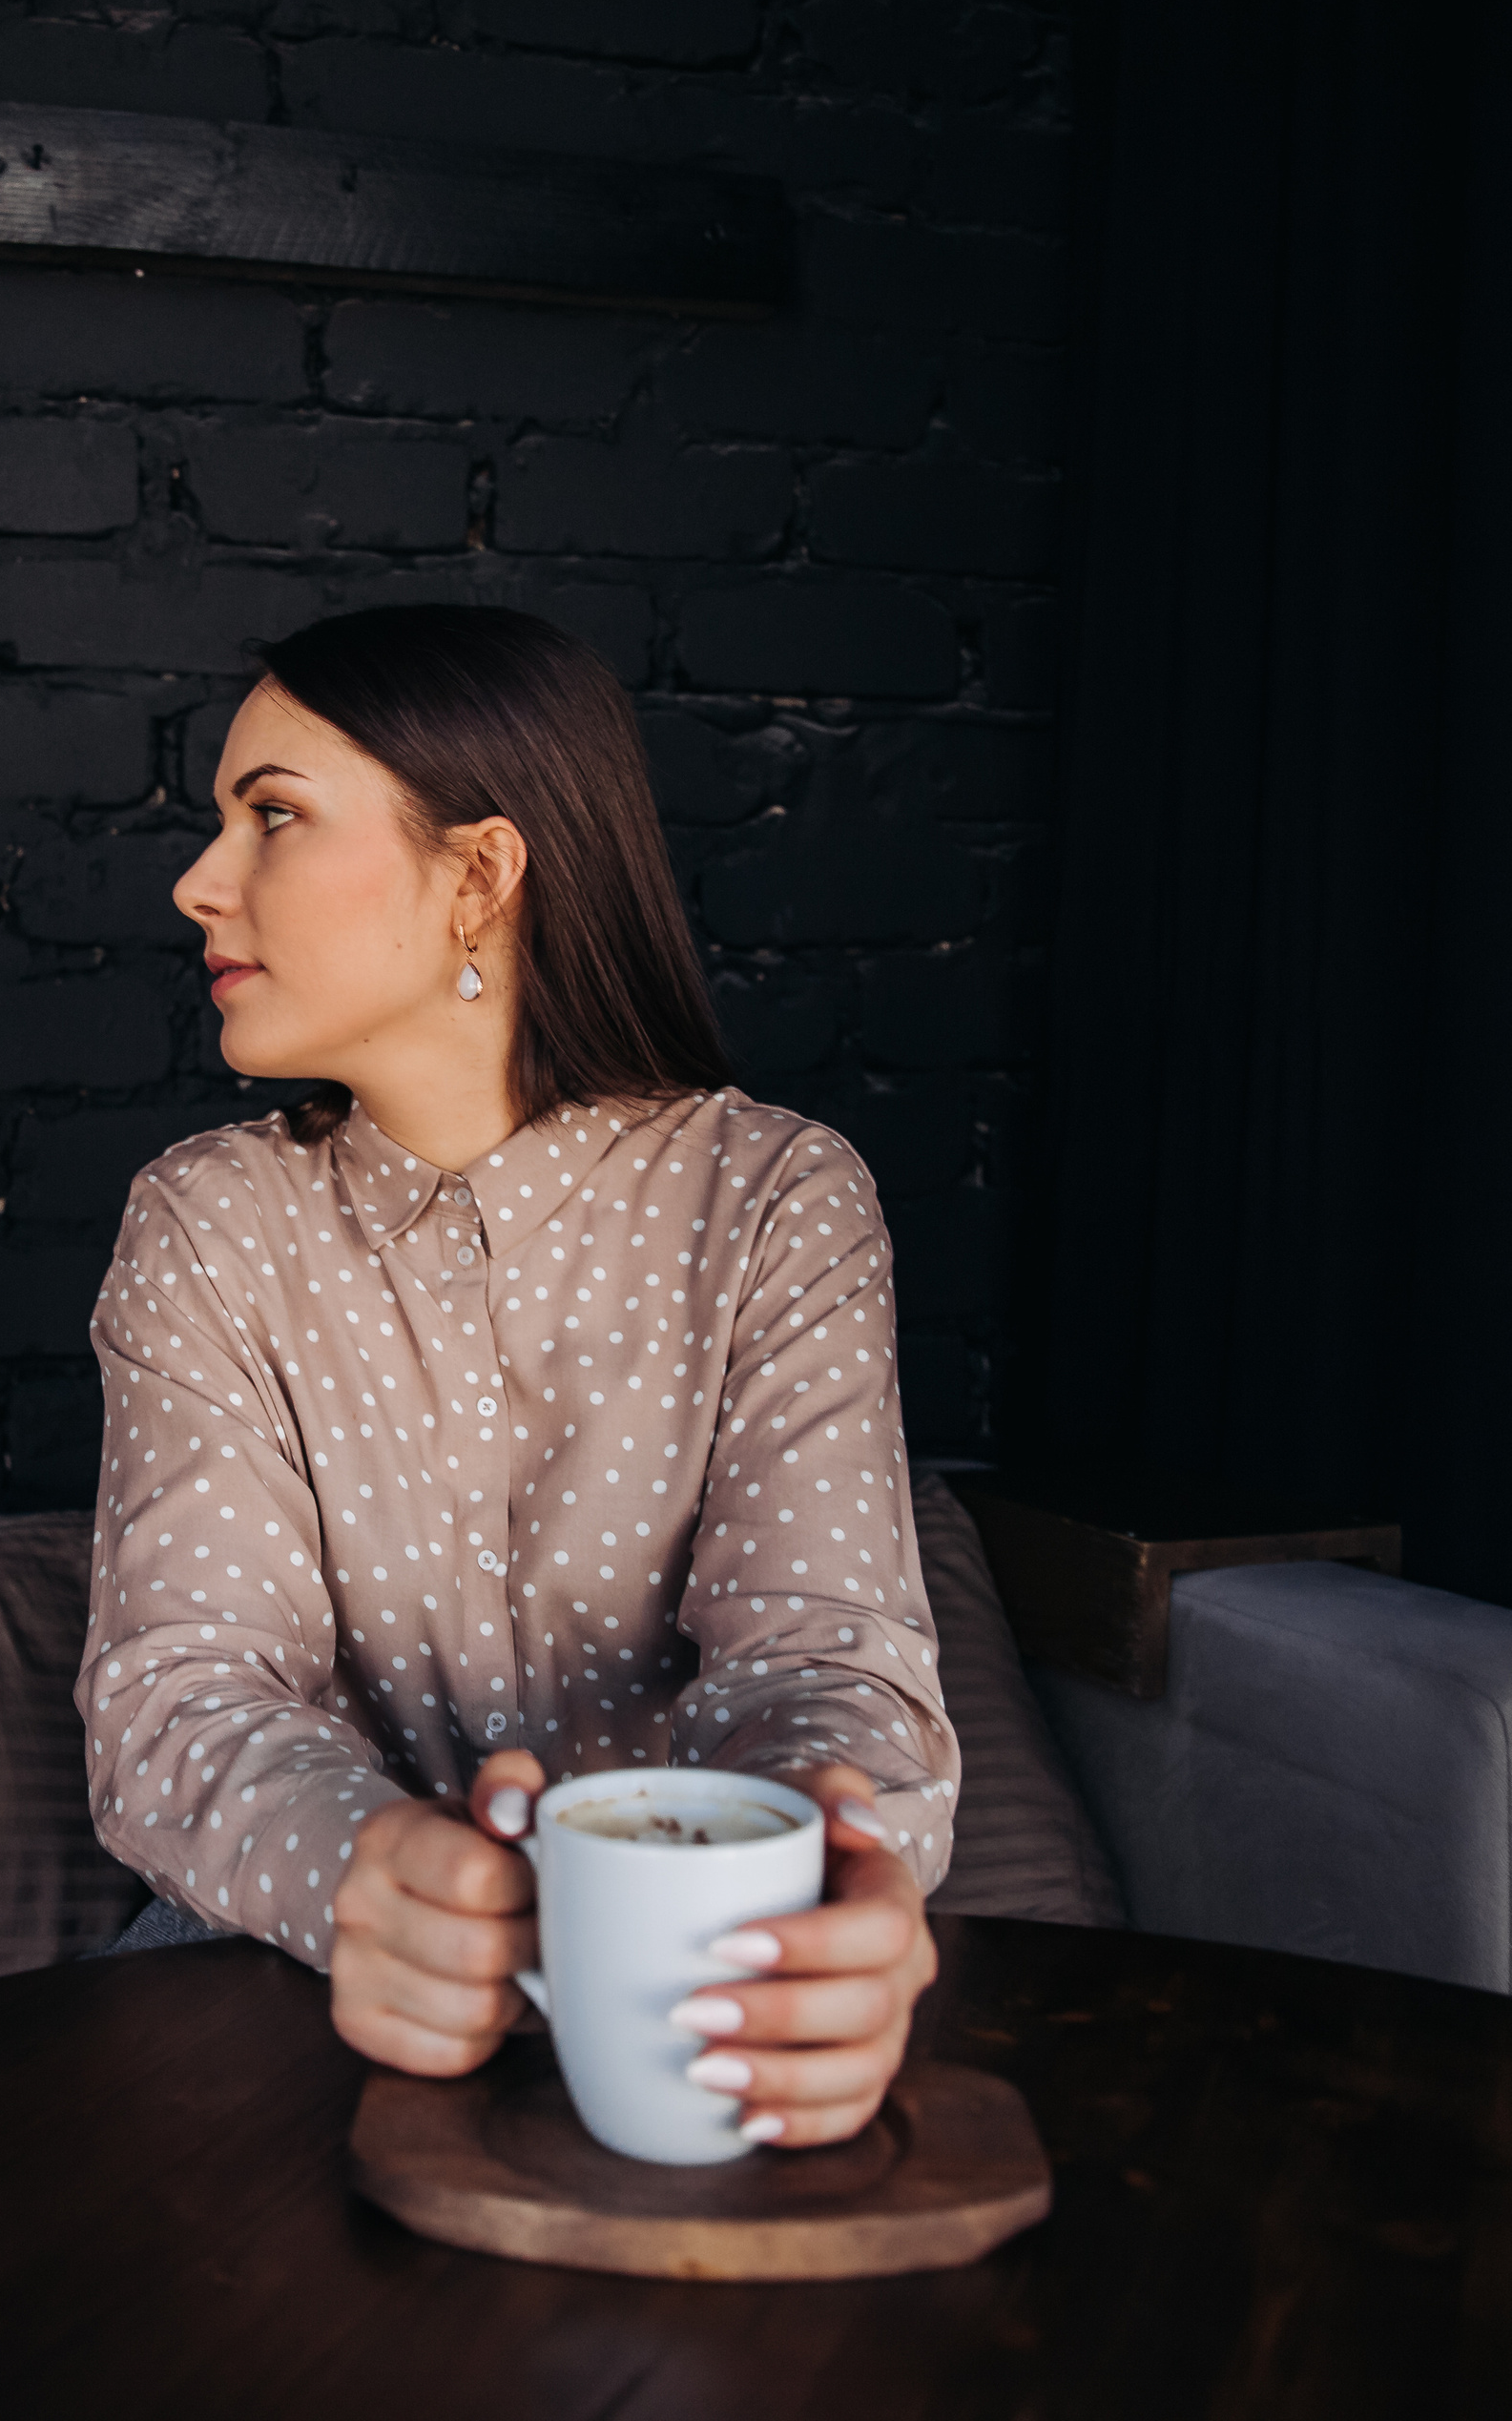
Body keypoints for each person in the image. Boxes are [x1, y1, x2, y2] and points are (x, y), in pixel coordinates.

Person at [76, 605, 954, 2151]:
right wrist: (368, 1871)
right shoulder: (210, 1224)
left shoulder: (774, 1203)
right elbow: (179, 1697)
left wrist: (823, 1865)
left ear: (479, 876)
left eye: (272, 815)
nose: (198, 882)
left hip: (711, 1984)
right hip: (292, 1961)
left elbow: (825, 1659)